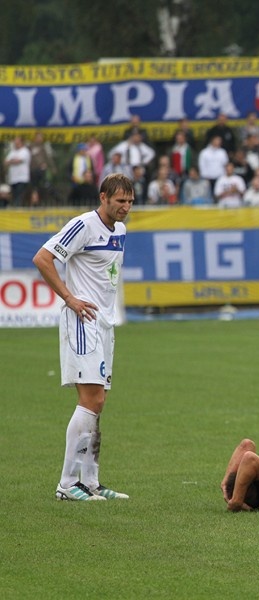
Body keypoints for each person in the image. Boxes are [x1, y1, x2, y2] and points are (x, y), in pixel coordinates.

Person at [32, 173, 135, 501]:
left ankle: (90, 482)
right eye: (120, 201)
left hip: (105, 325)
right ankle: (66, 485)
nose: (125, 207)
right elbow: (42, 258)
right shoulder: (82, 225)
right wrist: (70, 298)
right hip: (82, 322)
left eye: (130, 201)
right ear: (103, 197)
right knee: (91, 401)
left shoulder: (120, 230)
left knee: (97, 405)